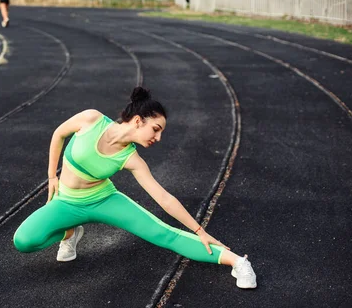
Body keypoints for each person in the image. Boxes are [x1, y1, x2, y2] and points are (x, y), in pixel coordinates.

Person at [13, 87, 257, 289]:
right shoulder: (91, 119)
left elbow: (163, 197)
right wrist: (51, 176)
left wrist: (199, 230)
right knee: (24, 241)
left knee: (163, 234)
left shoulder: (132, 159)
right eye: (156, 129)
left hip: (103, 199)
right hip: (66, 201)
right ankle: (70, 233)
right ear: (139, 121)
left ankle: (237, 262)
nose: (158, 138)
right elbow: (58, 134)